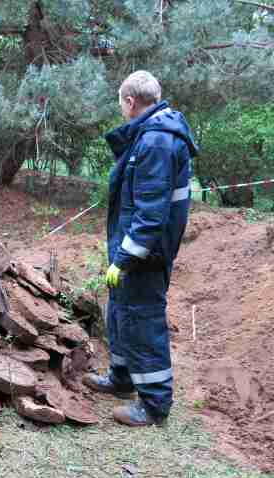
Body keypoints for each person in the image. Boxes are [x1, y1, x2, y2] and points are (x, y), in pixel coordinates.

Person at [83, 71, 198, 426]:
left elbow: (151, 212)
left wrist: (126, 257)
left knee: (143, 319)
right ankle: (121, 379)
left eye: (121, 103)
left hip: (147, 255)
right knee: (121, 311)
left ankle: (154, 404)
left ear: (130, 102)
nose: (121, 109)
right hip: (136, 251)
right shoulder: (149, 134)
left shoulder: (157, 142)